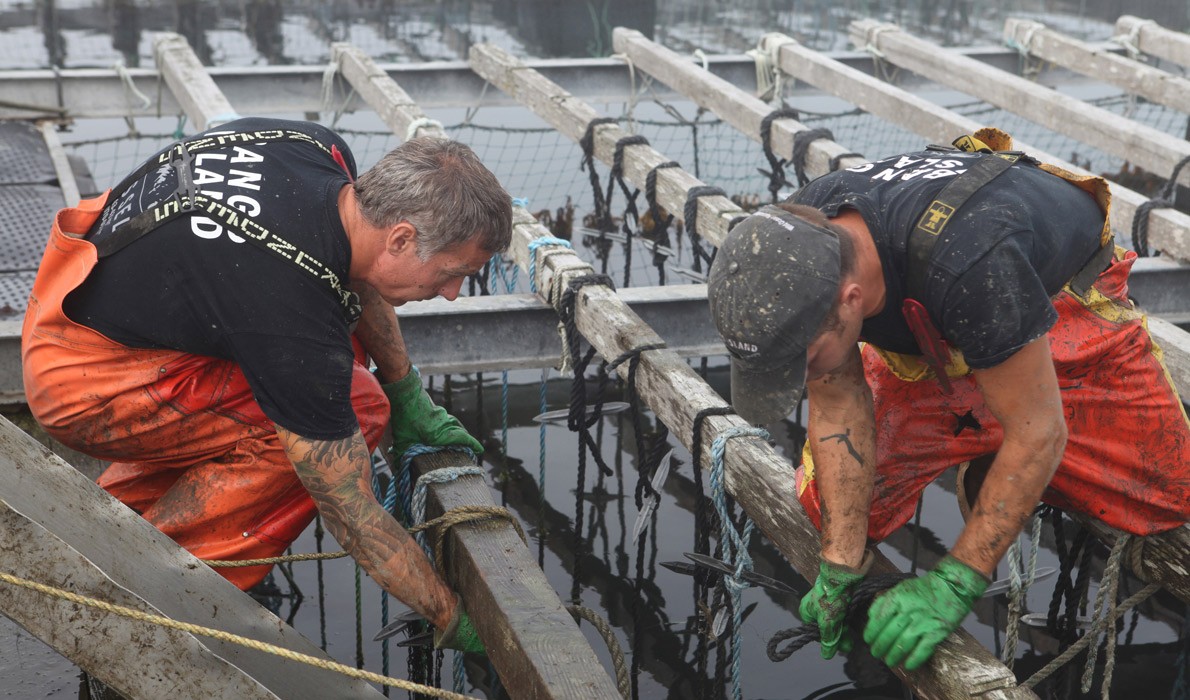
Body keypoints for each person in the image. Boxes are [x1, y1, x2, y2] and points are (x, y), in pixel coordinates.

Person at [22, 117, 512, 653]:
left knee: (332, 367)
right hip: (84, 382)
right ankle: (163, 580)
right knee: (352, 405)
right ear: (402, 236)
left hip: (75, 297)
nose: (452, 294)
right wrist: (451, 617)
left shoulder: (319, 152)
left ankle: (134, 507)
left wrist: (406, 392)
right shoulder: (284, 305)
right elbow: (349, 512)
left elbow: (358, 271)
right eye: (452, 272)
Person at [708, 129, 1189, 671]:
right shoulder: (805, 242)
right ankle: (991, 439)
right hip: (937, 323)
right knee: (832, 507)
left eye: (802, 361)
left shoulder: (976, 260)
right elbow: (839, 402)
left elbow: (1040, 431)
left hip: (1054, 307)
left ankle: (999, 452)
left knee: (1167, 494)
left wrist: (956, 581)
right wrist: (840, 563)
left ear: (850, 300)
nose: (800, 379)